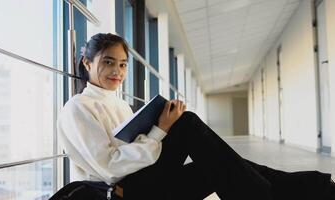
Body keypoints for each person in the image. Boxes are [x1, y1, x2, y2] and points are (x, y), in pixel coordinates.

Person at [56, 33, 335, 200]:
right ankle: (304, 189)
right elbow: (111, 168)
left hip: (142, 180)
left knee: (218, 165)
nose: (117, 71)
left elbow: (133, 151)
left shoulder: (118, 104)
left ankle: (319, 189)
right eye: (107, 62)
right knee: (189, 126)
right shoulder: (77, 108)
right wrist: (160, 131)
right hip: (122, 192)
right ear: (87, 63)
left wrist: (160, 127)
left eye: (122, 65)